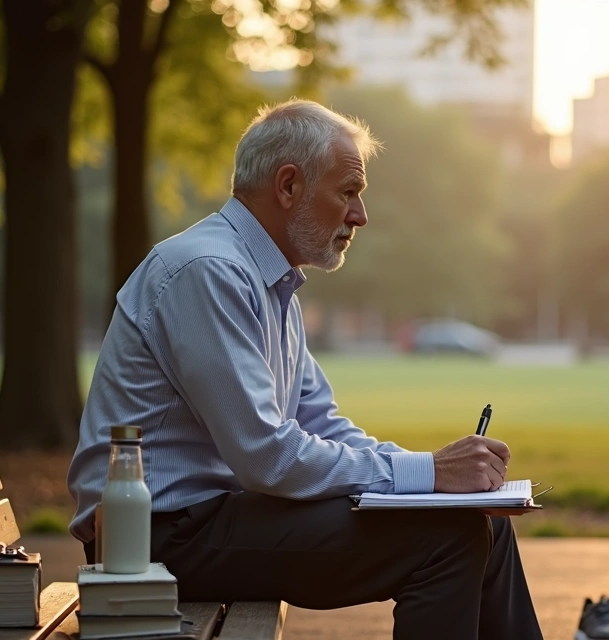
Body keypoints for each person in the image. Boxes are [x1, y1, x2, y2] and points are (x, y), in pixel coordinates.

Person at [66, 99, 544, 640]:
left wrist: (436, 480)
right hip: (153, 539)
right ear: (289, 186)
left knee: (479, 523)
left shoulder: (271, 284)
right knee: (446, 541)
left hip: (213, 520)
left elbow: (321, 424)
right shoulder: (209, 272)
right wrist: (430, 473)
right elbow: (266, 456)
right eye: (348, 192)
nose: (360, 215)